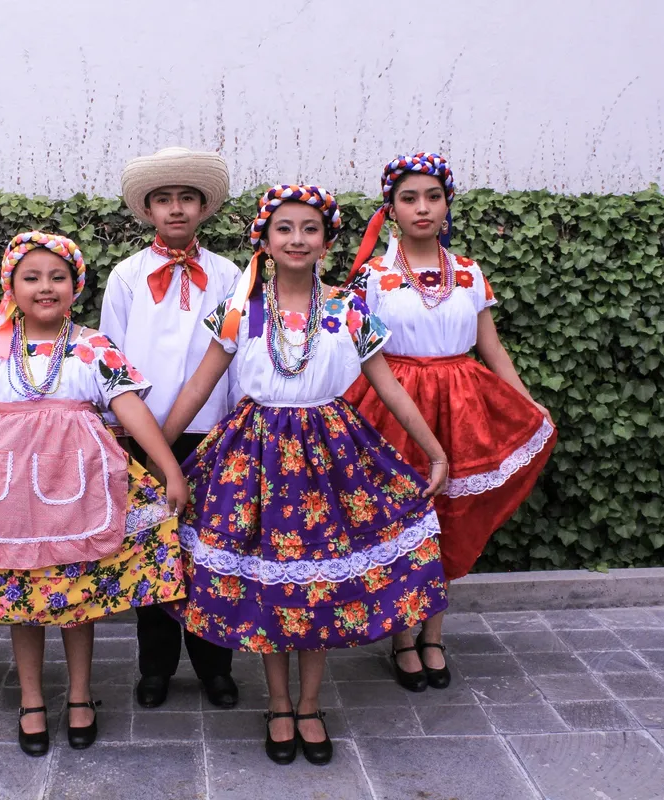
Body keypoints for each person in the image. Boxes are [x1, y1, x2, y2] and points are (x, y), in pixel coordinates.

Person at [162, 185, 449, 765]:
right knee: (273, 585)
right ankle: (277, 703)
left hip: (331, 459)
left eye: (310, 229)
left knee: (318, 585)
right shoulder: (239, 310)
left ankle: (311, 703)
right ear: (263, 240)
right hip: (256, 460)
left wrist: (434, 450)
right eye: (285, 228)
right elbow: (199, 386)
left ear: (327, 240)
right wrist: (159, 456)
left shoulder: (348, 309)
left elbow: (388, 386)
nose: (297, 239)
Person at [0, 231, 188, 756]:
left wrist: (169, 468)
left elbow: (132, 409)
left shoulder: (93, 347)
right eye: (32, 277)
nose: (46, 287)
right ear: (11, 287)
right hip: (7, 498)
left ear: (75, 286)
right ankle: (31, 699)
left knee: (77, 594)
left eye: (58, 277)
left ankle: (82, 696)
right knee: (22, 597)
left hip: (77, 492)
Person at [343, 152, 557, 691]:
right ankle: (400, 635)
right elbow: (354, 353)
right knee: (404, 519)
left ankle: (433, 633)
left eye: (432, 197)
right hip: (395, 406)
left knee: (449, 518)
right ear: (390, 208)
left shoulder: (468, 272)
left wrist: (527, 404)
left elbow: (491, 348)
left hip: (462, 406)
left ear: (447, 204)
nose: (422, 207)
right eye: (409, 197)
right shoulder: (373, 277)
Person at [101, 146, 242, 709]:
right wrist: (118, 425)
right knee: (149, 545)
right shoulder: (127, 275)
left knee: (210, 548)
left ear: (203, 207)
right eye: (165, 199)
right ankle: (154, 667)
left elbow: (233, 353)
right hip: (143, 433)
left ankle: (215, 667)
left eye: (187, 198)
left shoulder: (231, 275)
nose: (176, 209)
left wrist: (234, 427)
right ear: (149, 209)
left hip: (210, 430)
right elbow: (109, 356)